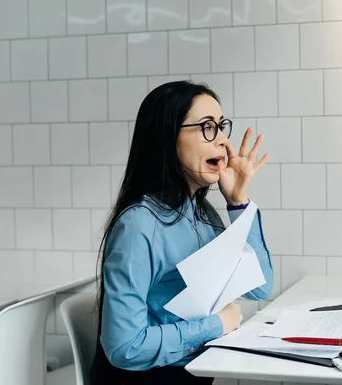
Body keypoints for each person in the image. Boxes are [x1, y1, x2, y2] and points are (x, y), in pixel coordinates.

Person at [90, 80, 275, 384]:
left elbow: (261, 288)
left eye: (221, 126)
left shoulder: (205, 216)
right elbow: (124, 347)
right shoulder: (139, 225)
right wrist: (216, 325)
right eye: (207, 127)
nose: (221, 142)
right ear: (167, 138)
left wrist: (238, 203)